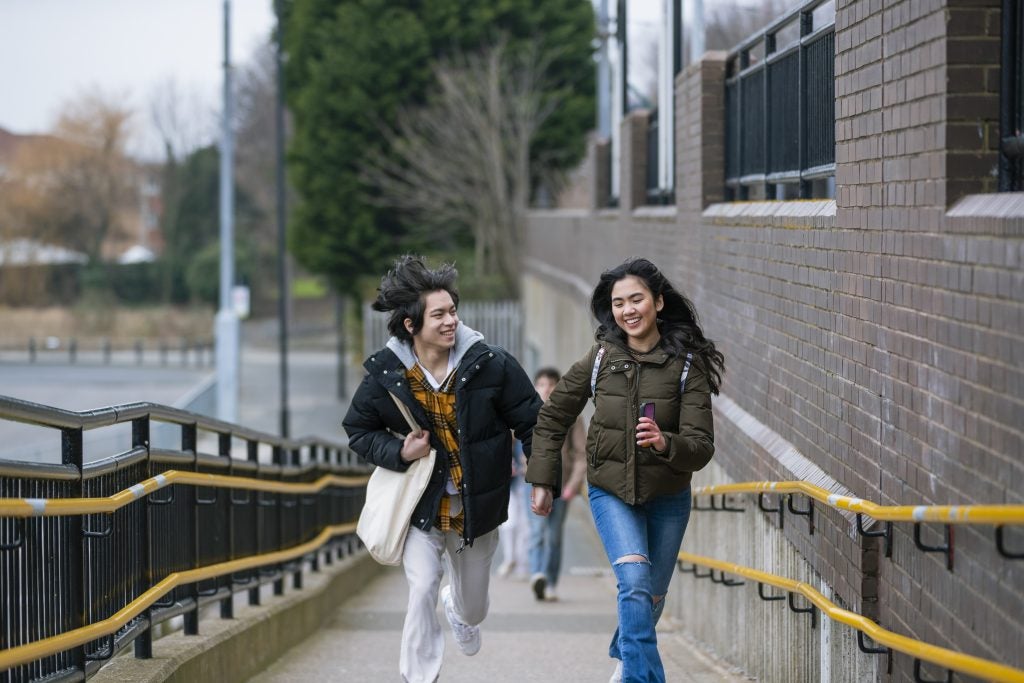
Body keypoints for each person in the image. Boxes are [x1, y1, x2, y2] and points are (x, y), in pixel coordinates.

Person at [343, 255, 541, 683]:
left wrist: (542, 478)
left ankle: (459, 611)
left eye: (453, 310)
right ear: (411, 325)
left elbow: (534, 421)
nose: (451, 320)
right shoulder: (388, 374)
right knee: (421, 586)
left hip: (476, 510)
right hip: (423, 507)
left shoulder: (491, 363)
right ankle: (419, 677)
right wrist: (400, 453)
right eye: (439, 314)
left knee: (475, 606)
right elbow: (358, 429)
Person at [526, 258, 724, 683]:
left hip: (668, 494)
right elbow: (552, 417)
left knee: (650, 596)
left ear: (657, 301)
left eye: (636, 299)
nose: (627, 310)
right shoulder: (600, 358)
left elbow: (702, 446)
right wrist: (543, 479)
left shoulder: (687, 366)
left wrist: (666, 442)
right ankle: (641, 677)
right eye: (618, 303)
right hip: (610, 490)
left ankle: (625, 652)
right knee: (633, 580)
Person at [526, 367, 586, 602]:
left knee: (554, 536)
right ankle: (537, 574)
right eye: (541, 384)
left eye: (551, 384)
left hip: (561, 484)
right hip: (531, 483)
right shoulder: (527, 413)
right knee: (537, 531)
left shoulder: (571, 416)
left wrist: (573, 484)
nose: (546, 389)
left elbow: (582, 453)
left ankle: (550, 582)